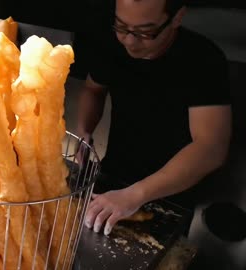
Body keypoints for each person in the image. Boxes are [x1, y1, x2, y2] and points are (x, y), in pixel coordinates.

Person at [76, 0, 232, 236]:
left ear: (177, 18)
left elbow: (211, 148)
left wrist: (135, 195)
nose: (129, 40)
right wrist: (84, 130)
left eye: (145, 32)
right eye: (121, 27)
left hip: (172, 197)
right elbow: (93, 90)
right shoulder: (110, 44)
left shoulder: (203, 60)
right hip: (113, 178)